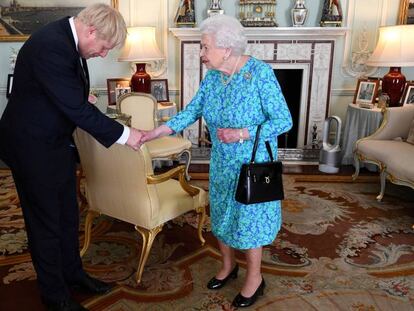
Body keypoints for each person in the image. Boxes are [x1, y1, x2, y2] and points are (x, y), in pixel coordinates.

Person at [141, 14, 292, 308]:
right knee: (222, 214)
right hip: (222, 162)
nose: (201, 53)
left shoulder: (259, 74)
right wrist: (157, 131)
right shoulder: (214, 77)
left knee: (249, 223)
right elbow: (192, 110)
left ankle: (255, 278)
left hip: (252, 162)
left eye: (205, 47)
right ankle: (227, 266)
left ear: (227, 48)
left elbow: (284, 120)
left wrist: (241, 134)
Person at [0, 4, 143, 311]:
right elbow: (76, 109)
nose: (103, 54)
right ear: (91, 31)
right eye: (104, 47)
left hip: (55, 142)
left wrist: (79, 95)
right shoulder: (51, 45)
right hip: (31, 146)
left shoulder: (68, 40)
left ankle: (74, 275)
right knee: (46, 222)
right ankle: (54, 296)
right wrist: (126, 134)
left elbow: (65, 94)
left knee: (67, 214)